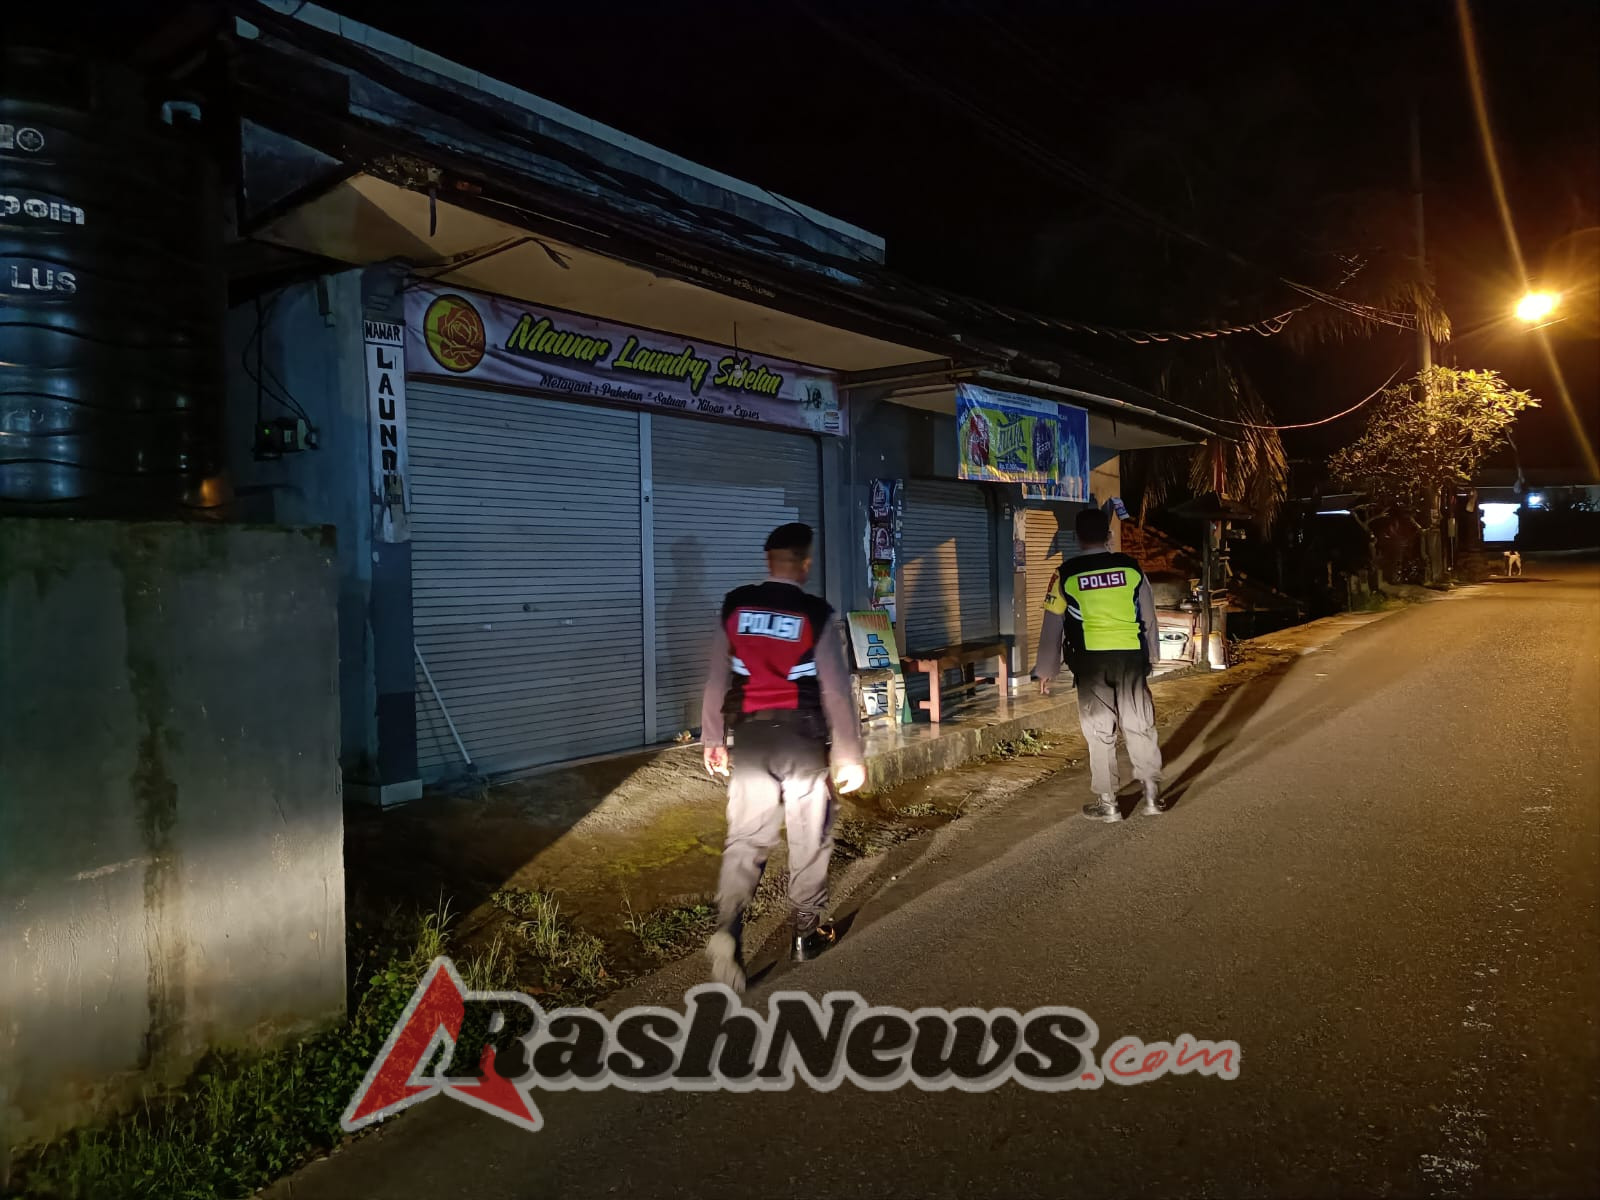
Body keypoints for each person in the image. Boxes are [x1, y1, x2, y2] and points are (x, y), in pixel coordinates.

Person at [701, 522, 865, 992]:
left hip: (750, 740)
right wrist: (850, 754)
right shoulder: (815, 613)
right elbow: (834, 689)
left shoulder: (736, 605)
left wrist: (713, 738)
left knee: (746, 840)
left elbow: (717, 678)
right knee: (808, 838)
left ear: (767, 560)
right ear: (805, 564)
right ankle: (806, 933)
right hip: (802, 741)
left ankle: (728, 931)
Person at [1034, 508, 1164, 822]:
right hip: (1130, 658)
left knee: (1100, 731)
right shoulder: (1131, 569)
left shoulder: (1065, 575)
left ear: (1078, 538)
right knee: (1139, 723)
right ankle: (1150, 797)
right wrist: (1154, 656)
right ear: (1108, 536)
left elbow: (1052, 627)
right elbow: (1148, 617)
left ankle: (1109, 804)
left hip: (1091, 663)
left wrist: (1046, 670)